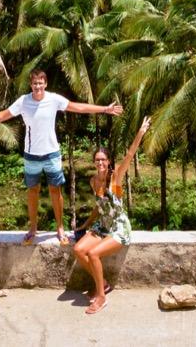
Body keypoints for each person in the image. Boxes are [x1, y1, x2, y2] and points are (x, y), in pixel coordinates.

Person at [0, 69, 122, 244]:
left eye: (40, 83)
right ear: (31, 85)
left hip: (52, 154)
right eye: (35, 83)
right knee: (33, 191)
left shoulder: (54, 99)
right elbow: (3, 115)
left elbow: (78, 107)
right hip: (31, 156)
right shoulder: (23, 101)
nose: (38, 86)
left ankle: (60, 228)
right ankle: (33, 228)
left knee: (55, 190)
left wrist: (105, 109)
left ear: (45, 84)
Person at [72, 115, 150, 315]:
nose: (100, 163)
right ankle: (103, 283)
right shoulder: (93, 181)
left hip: (118, 227)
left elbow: (131, 154)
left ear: (109, 162)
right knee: (79, 250)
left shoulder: (115, 177)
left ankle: (101, 297)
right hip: (102, 226)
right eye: (97, 160)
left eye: (103, 160)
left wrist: (140, 132)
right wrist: (85, 225)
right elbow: (98, 208)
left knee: (93, 253)